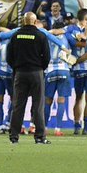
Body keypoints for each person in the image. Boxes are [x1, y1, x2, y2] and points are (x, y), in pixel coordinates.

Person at [6, 12, 51, 145]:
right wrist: (40, 67)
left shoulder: (15, 36)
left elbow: (9, 57)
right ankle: (39, 137)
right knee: (38, 106)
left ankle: (14, 137)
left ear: (23, 21)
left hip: (20, 73)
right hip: (36, 72)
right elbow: (47, 57)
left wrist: (17, 67)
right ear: (35, 21)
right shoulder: (41, 36)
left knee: (18, 106)